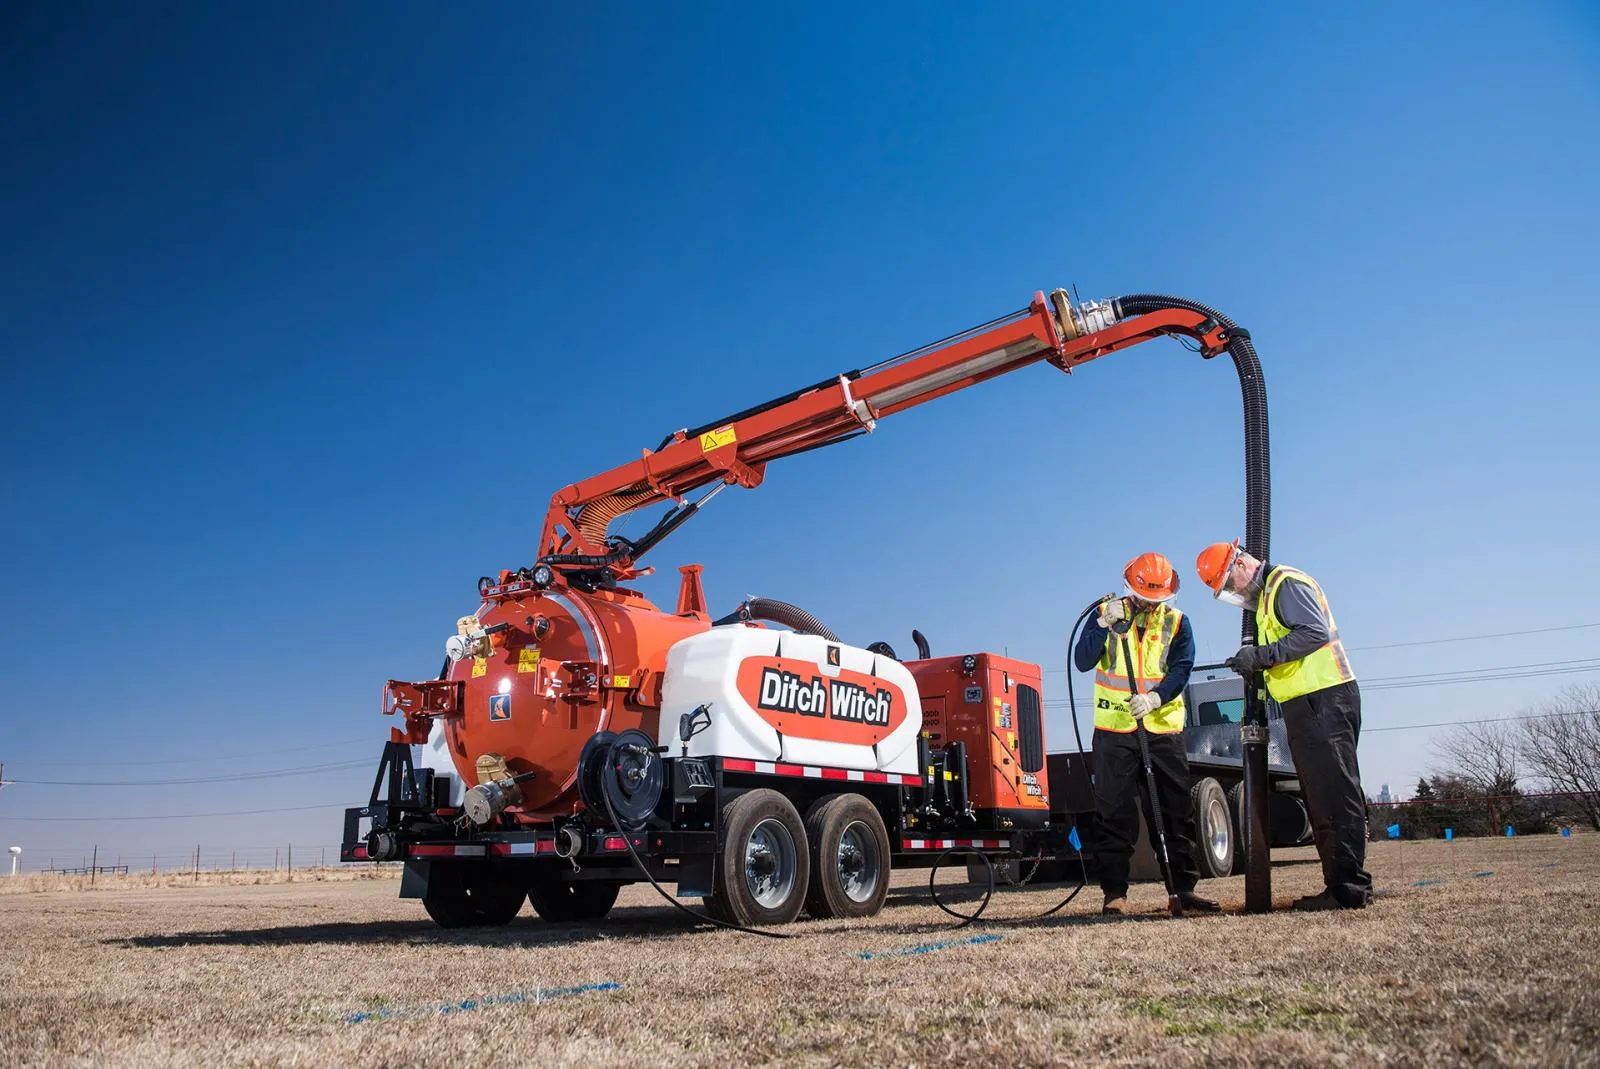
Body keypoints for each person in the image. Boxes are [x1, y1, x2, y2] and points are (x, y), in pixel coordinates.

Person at [1195, 539, 1372, 911]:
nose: (1233, 592)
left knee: (1334, 794)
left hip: (1324, 699)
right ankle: (1339, 884)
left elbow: (1313, 633)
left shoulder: (1284, 584)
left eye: (1230, 584)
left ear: (1241, 564)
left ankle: (1349, 888)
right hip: (1307, 705)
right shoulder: (1267, 599)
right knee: (1320, 796)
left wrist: (1260, 656)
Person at [1074, 552, 1219, 916]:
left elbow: (1182, 667)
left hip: (1162, 730)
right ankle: (1114, 895)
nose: (1145, 604)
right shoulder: (1106, 613)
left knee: (1173, 812)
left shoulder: (1177, 622)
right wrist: (1101, 626)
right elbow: (1082, 660)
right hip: (1114, 732)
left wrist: (1156, 696)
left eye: (1153, 599)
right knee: (1114, 814)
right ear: (1129, 586)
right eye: (1141, 596)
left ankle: (1182, 891)